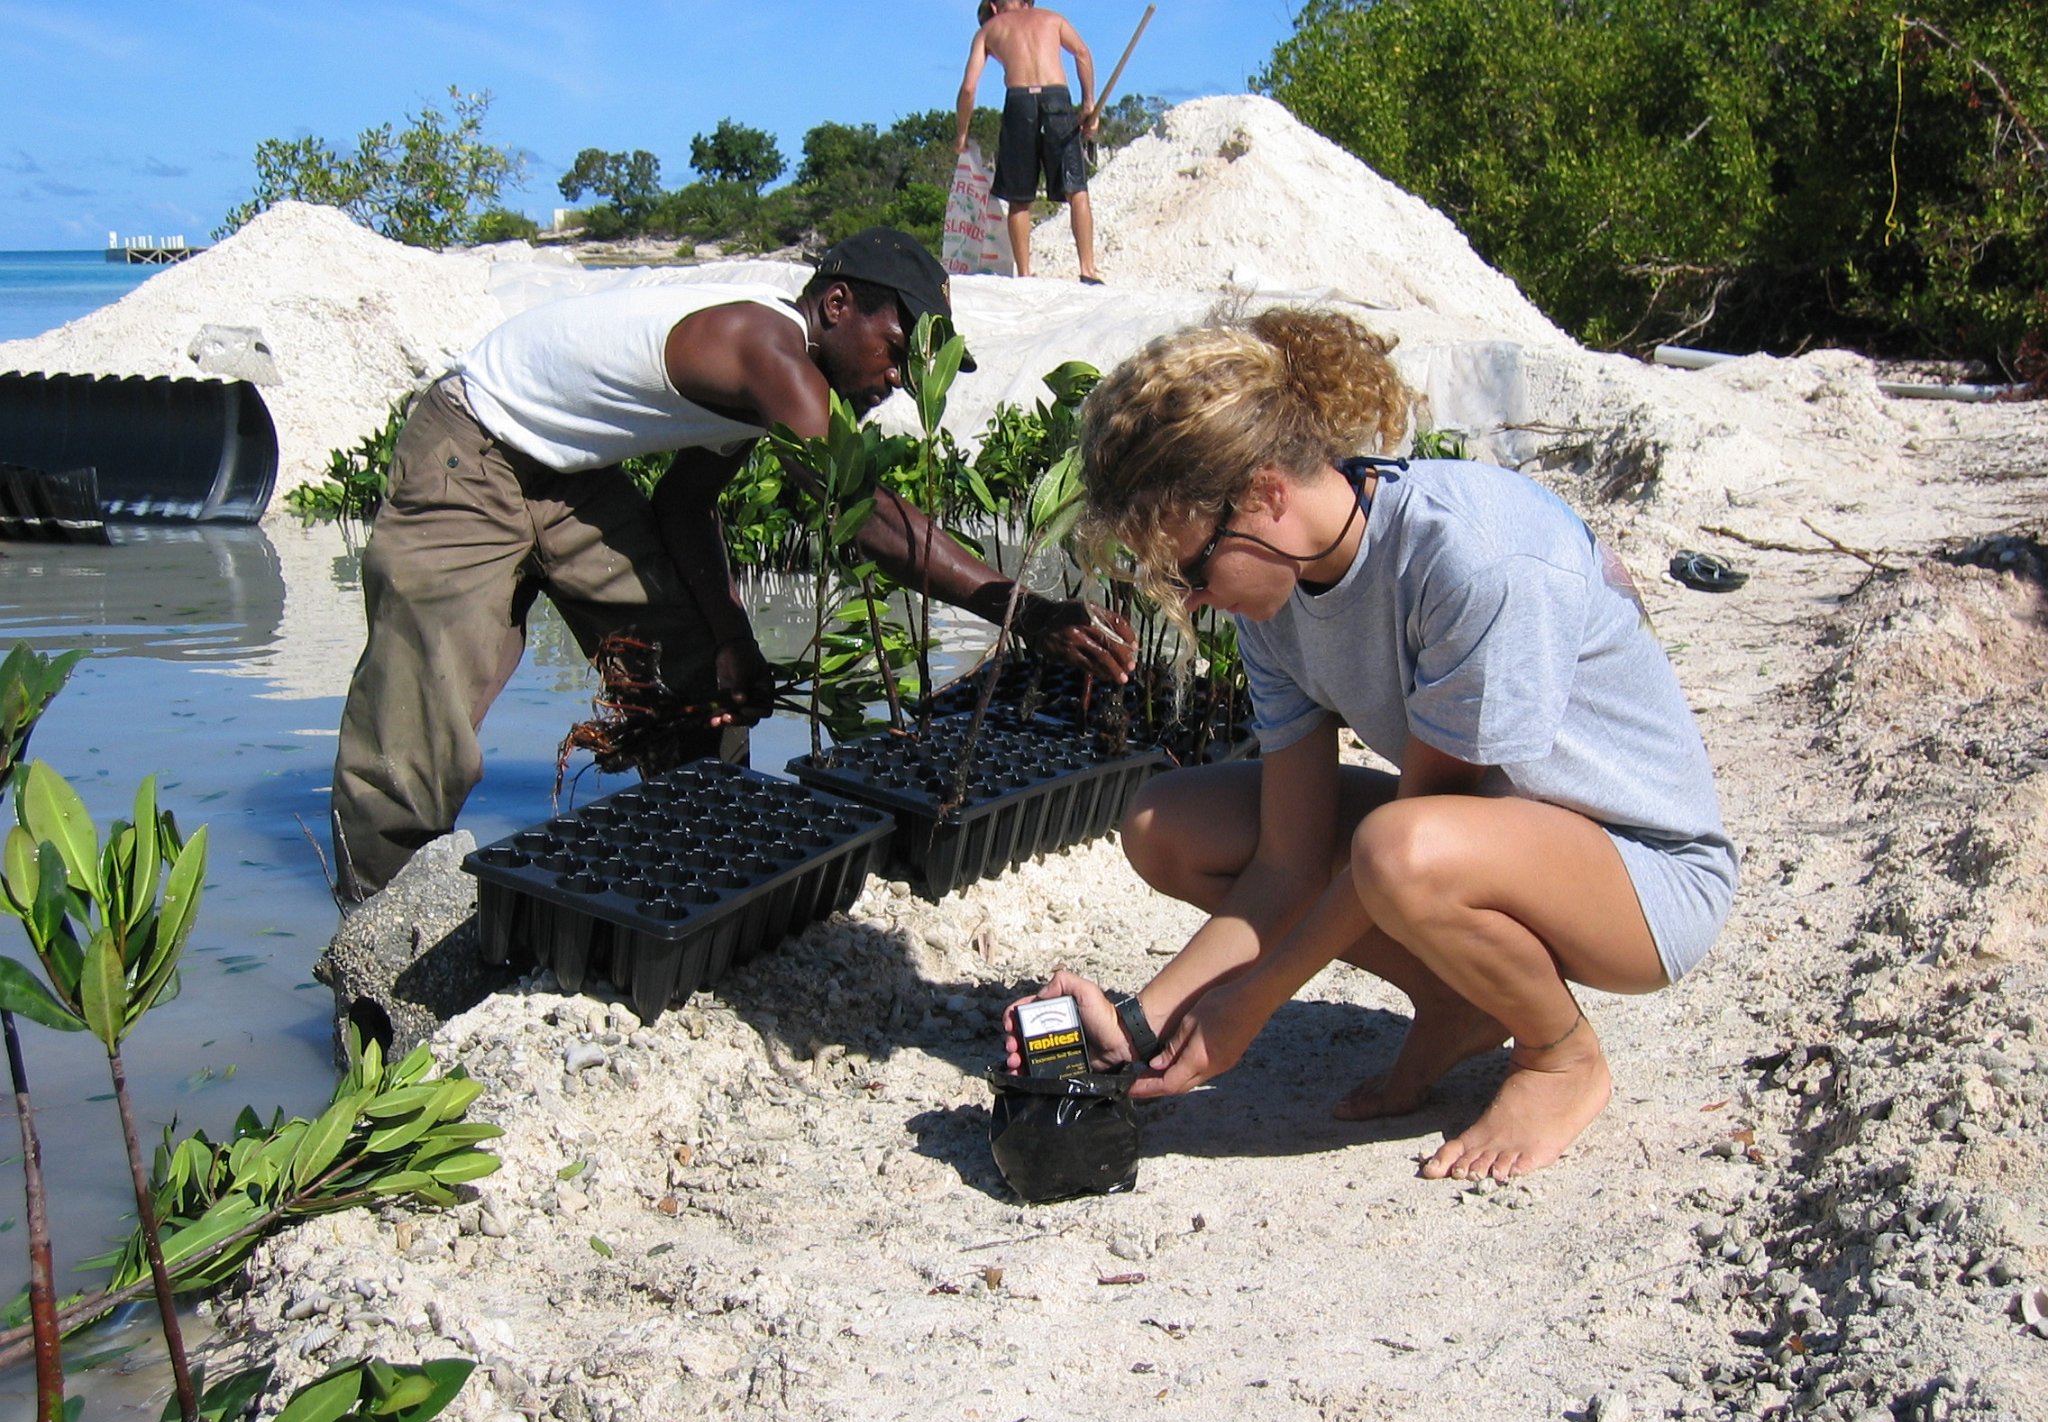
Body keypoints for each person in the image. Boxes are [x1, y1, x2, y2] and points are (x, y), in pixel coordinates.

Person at [1003, 308, 1738, 1180]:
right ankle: (1458, 1000)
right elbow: (1291, 860)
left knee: (1398, 848)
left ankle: (1560, 1054)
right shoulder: (1277, 604)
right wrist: (1136, 1024)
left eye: (1192, 572)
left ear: (1267, 492)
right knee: (1170, 823)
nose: (1192, 603)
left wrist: (1250, 1005)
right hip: (1486, 842)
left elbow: (1412, 836)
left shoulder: (1470, 559)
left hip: (1646, 878)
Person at [331, 227, 1134, 900]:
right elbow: (872, 519)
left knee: (691, 676)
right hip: (474, 443)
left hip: (574, 475)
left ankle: (693, 862)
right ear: (836, 304)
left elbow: (683, 507)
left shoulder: (764, 389)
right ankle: (378, 920)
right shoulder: (765, 347)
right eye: (896, 348)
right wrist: (1026, 613)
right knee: (422, 706)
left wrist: (730, 637)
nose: (898, 379)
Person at [954, 0, 1103, 283]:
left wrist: (962, 133)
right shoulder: (1053, 19)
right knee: (1077, 189)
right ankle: (1088, 269)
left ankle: (1024, 273)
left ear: (995, 8)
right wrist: (1088, 105)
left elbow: (969, 88)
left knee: (1019, 197)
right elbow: (1082, 53)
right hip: (1057, 98)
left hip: (1019, 103)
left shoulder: (989, 30)